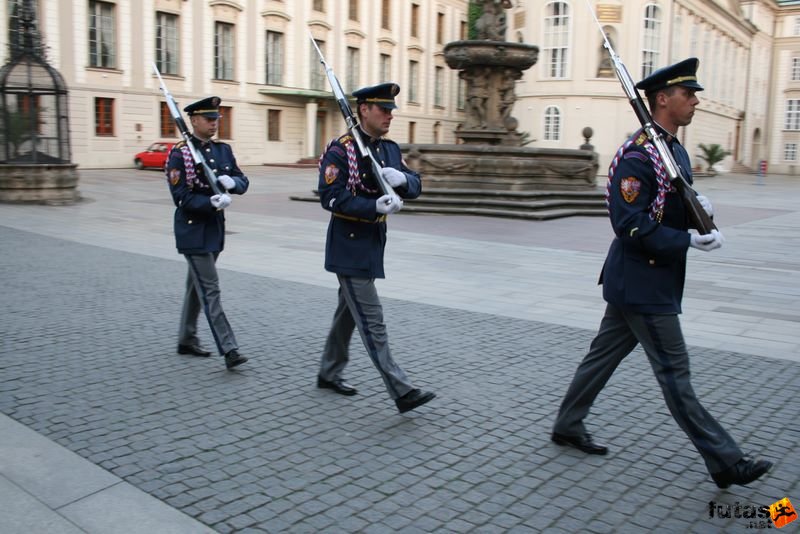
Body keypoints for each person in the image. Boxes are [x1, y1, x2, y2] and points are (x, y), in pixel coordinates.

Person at [550, 58, 772, 488]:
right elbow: (629, 223)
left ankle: (567, 424)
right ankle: (726, 461)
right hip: (642, 281)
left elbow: (673, 205)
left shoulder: (674, 149)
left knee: (601, 358)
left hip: (645, 280)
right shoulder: (638, 155)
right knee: (675, 372)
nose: (695, 101)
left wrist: (699, 213)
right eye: (688, 94)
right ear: (663, 99)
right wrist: (686, 240)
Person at [316, 82, 436, 414]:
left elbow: (416, 184)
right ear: (364, 109)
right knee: (372, 319)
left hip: (372, 246)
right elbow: (330, 197)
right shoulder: (341, 151)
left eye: (391, 110)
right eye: (383, 110)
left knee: (348, 315)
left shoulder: (388, 150)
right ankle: (402, 390)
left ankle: (329, 372)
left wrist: (403, 180)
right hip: (348, 247)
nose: (389, 116)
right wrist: (373, 207)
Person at [166, 96, 249, 370]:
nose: (214, 124)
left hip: (214, 231)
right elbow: (181, 197)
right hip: (193, 232)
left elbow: (243, 180)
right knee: (210, 289)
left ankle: (186, 339)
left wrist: (232, 183)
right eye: (208, 119)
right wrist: (209, 202)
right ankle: (230, 348)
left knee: (196, 288)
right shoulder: (181, 154)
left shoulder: (223, 150)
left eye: (216, 119)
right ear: (193, 120)